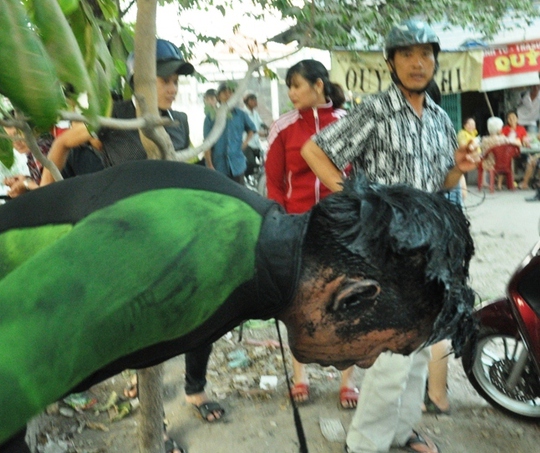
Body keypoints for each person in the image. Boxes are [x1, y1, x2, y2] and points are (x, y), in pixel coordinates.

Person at [0, 159, 477, 452]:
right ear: (350, 296)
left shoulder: (246, 234)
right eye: (385, 348)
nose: (368, 361)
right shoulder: (185, 256)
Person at [30, 39, 222, 452]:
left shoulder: (180, 121)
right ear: (138, 81)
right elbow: (61, 145)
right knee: (144, 331)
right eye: (163, 79)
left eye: (175, 81)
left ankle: (195, 388)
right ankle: (158, 426)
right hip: (127, 241)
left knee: (203, 314)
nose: (171, 88)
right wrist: (43, 206)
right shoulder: (112, 117)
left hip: (175, 234)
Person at [300, 19, 479, 453]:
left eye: (425, 55)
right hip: (386, 249)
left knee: (419, 346)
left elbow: (441, 183)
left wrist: (458, 168)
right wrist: (358, 201)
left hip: (427, 251)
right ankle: (364, 443)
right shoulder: (375, 110)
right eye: (407, 55)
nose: (418, 63)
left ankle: (402, 430)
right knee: (390, 355)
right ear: (391, 62)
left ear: (435, 60)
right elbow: (315, 151)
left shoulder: (438, 117)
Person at [265, 59, 358, 408]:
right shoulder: (283, 127)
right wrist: (280, 225)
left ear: (319, 86)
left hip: (342, 227)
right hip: (298, 227)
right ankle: (300, 376)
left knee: (348, 301)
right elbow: (274, 184)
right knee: (299, 303)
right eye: (289, 86)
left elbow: (361, 172)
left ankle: (348, 380)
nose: (290, 93)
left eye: (296, 85)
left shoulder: (350, 124)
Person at [203, 81, 257, 184]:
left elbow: (252, 129)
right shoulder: (211, 117)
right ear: (218, 97)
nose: (228, 95)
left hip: (237, 165)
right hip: (218, 166)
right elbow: (207, 143)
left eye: (231, 92)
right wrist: (209, 165)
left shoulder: (241, 115)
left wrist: (245, 143)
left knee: (239, 197)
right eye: (224, 93)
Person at [480, 116, 519, 191]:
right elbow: (514, 143)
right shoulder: (503, 139)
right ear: (499, 129)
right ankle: (502, 184)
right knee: (507, 160)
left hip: (488, 163)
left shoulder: (484, 140)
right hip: (501, 164)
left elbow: (483, 152)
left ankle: (485, 182)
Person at [243, 93, 267, 177]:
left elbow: (261, 124)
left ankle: (257, 180)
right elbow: (249, 128)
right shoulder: (243, 114)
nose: (255, 102)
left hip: (256, 144)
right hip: (247, 144)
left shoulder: (255, 113)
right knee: (251, 163)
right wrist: (259, 132)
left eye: (255, 99)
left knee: (264, 163)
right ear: (246, 102)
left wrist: (268, 128)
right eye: (252, 100)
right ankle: (245, 177)